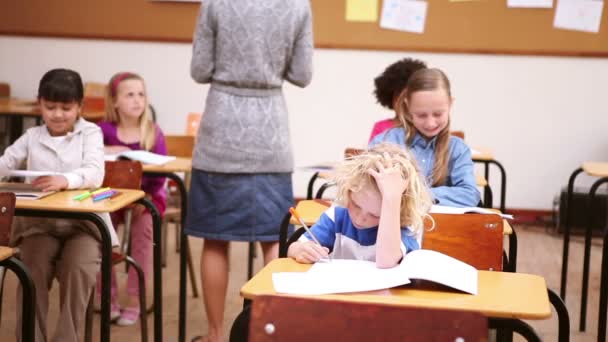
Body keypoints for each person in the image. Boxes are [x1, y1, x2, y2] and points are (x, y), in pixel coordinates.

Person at [186, 0, 313, 341]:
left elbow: (199, 70)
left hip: (220, 132)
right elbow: (302, 74)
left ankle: (214, 335)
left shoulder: (215, 3)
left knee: (215, 239)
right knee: (274, 237)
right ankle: (271, 330)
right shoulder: (298, 6)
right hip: (270, 135)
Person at [0, 68, 116, 342]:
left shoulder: (91, 133)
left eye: (66, 107)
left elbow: (94, 172)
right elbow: (6, 162)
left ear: (79, 107)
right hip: (41, 226)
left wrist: (65, 180)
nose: (58, 114)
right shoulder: (32, 136)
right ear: (39, 103)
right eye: (50, 107)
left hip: (84, 227)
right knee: (32, 267)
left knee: (79, 269)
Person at [96, 72, 167, 326]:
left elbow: (160, 177)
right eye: (129, 95)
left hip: (147, 197)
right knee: (100, 233)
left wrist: (143, 198)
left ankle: (136, 299)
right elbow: (88, 159)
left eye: (141, 94)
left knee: (144, 233)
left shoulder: (152, 132)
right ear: (114, 101)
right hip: (110, 195)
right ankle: (107, 298)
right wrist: (105, 150)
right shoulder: (102, 131)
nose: (137, 100)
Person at [288, 143, 432, 268]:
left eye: (375, 215)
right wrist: (299, 249)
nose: (360, 218)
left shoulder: (406, 227)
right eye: (356, 205)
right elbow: (292, 249)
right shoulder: (338, 215)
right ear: (349, 191)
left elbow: (387, 261)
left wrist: (391, 198)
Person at [369, 68, 480, 208]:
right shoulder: (385, 142)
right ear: (408, 106)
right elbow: (368, 189)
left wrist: (416, 193)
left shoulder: (458, 149)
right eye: (421, 115)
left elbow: (470, 195)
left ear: (450, 104)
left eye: (438, 114)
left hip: (443, 227)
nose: (430, 123)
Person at [369, 58, 427, 143]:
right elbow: (371, 154)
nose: (402, 103)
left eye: (408, 98)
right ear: (390, 97)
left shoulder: (426, 127)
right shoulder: (381, 127)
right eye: (397, 97)